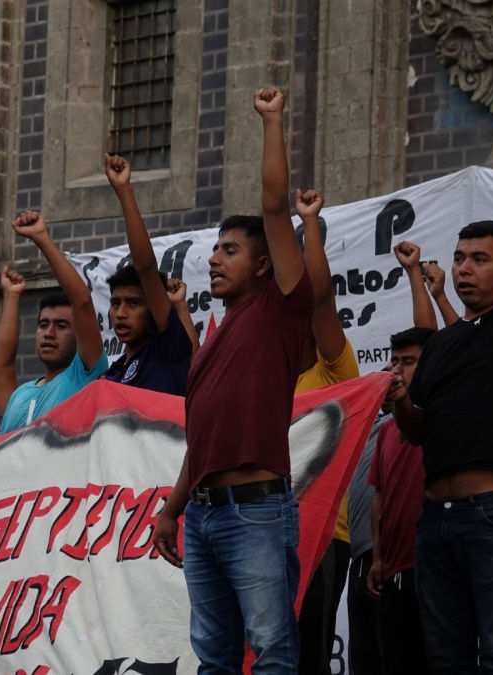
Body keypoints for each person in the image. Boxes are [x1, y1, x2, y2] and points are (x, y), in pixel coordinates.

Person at [386, 103, 493, 673]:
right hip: (436, 519)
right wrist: (399, 400)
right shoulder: (443, 343)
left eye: (480, 259)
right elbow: (416, 431)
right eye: (459, 257)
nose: (463, 268)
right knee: (446, 658)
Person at [153, 87, 314, 673]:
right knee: (213, 658)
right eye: (213, 249)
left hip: (256, 512)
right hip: (201, 516)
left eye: (230, 250)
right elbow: (204, 442)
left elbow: (275, 209)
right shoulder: (215, 338)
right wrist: (173, 509)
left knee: (272, 649)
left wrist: (272, 121)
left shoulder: (281, 311)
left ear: (266, 263)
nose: (215, 259)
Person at [294, 188, 359, 675]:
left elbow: (319, 298)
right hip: (259, 536)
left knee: (308, 658)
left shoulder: (335, 370)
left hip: (320, 537)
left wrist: (309, 225)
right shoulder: (268, 378)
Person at [0, 212, 107, 434]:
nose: (49, 333)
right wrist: (12, 296)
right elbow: (2, 366)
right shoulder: (19, 395)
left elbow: (82, 301)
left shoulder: (85, 378)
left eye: (61, 326)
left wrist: (41, 238)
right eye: (43, 325)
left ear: (79, 336)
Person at [367, 327, 435, 675]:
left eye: (409, 362)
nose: (397, 371)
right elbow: (380, 495)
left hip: (435, 566)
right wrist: (378, 557)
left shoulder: (441, 417)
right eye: (394, 362)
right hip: (392, 571)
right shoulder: (386, 430)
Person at [101, 156, 195, 396]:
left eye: (134, 303)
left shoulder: (166, 353)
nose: (120, 314)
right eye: (115, 303)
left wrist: (123, 191)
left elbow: (146, 268)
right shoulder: (110, 376)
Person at [344, 412, 387, 675]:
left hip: (392, 561)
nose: (392, 373)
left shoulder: (411, 425)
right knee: (362, 660)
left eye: (401, 366)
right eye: (388, 366)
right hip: (359, 561)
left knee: (392, 657)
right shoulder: (359, 429)